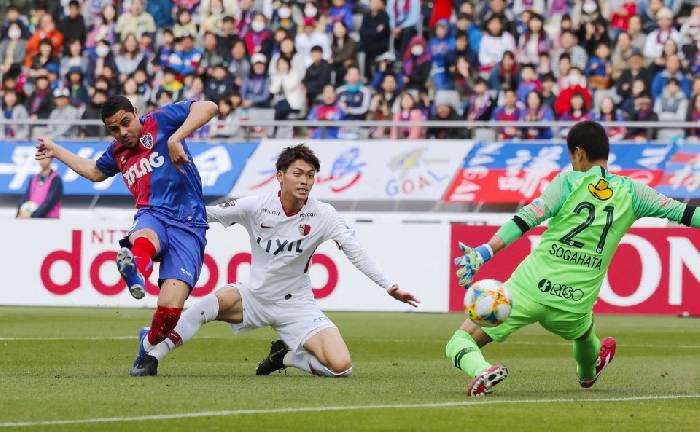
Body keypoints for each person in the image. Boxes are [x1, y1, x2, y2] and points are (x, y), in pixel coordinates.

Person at [447, 120, 700, 397]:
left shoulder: (568, 182)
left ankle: (482, 370)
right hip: (574, 303)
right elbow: (686, 214)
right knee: (583, 331)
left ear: (578, 153)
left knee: (459, 340)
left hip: (529, 289)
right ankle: (588, 372)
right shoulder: (634, 192)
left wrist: (485, 251)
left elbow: (526, 218)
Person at [140, 144, 420, 377]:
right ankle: (152, 356)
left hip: (296, 305)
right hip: (254, 296)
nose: (304, 181)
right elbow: (204, 214)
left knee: (341, 368)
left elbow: (355, 251)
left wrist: (390, 285)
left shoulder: (324, 215)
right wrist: (160, 215)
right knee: (204, 307)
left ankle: (288, 358)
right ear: (280, 176)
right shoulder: (256, 206)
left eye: (310, 176)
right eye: (297, 174)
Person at [34, 95, 219, 376]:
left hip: (189, 223)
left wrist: (175, 139)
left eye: (126, 123)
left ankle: (148, 340)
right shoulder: (117, 151)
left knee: (170, 311)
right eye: (114, 129)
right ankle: (134, 270)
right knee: (144, 235)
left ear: (136, 112)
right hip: (152, 214)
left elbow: (209, 106)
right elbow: (95, 172)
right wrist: (56, 150)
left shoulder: (162, 121)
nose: (122, 133)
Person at [16, 155, 63, 219]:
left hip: (49, 219)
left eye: (45, 158)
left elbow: (50, 202)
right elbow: (26, 197)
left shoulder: (56, 179)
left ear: (51, 159)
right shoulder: (33, 178)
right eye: (40, 158)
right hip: (32, 219)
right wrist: (20, 212)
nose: (42, 160)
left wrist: (33, 216)